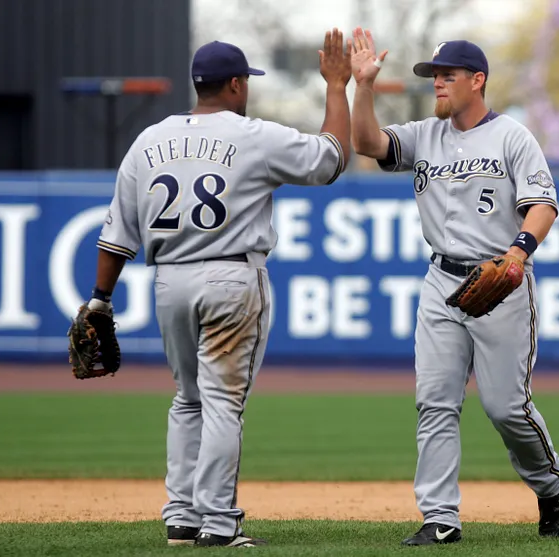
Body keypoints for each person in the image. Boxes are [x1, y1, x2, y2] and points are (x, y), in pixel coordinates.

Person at [88, 31, 352, 547]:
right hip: (230, 277)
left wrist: (100, 298)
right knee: (223, 403)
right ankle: (218, 523)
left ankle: (181, 517)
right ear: (235, 84)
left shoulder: (149, 139)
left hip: (169, 281)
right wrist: (336, 87)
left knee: (188, 400)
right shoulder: (251, 134)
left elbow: (117, 233)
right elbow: (332, 159)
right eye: (245, 82)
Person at [349, 28, 559, 546]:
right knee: (435, 401)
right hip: (442, 281)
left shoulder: (512, 136)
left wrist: (518, 251)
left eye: (447, 76)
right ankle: (440, 518)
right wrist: (362, 86)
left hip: (501, 280)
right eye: (433, 76)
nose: (438, 85)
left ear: (478, 80)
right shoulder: (426, 134)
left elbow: (543, 204)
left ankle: (550, 485)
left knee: (506, 408)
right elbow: (366, 143)